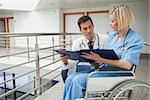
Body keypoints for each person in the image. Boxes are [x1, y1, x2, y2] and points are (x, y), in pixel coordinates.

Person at [62, 4, 144, 100]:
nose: (110, 23)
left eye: (112, 21)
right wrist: (97, 62)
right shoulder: (113, 36)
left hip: (117, 74)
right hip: (104, 69)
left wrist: (100, 59)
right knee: (69, 79)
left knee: (77, 80)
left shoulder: (135, 39)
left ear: (122, 21)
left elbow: (127, 65)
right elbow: (108, 57)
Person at [60, 15, 107, 83]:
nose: (89, 30)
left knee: (77, 80)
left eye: (90, 27)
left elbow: (111, 59)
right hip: (85, 70)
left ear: (93, 26)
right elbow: (74, 61)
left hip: (101, 69)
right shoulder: (77, 43)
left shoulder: (105, 39)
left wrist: (99, 62)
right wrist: (65, 61)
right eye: (85, 29)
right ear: (80, 30)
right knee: (69, 80)